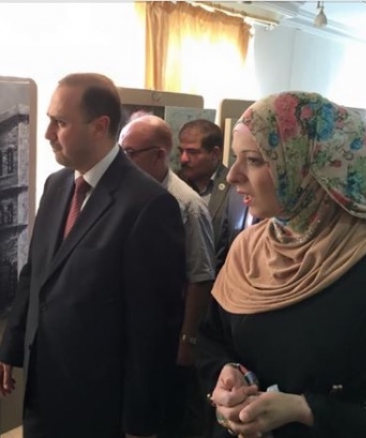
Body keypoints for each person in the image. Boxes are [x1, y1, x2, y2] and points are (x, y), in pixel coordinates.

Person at [0, 73, 187, 438]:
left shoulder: (148, 205)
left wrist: (140, 423)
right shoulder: (57, 185)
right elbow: (36, 274)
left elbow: (153, 330)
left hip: (98, 402)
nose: (47, 133)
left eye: (60, 123)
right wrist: (11, 347)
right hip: (43, 388)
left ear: (99, 127)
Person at [196, 91, 366, 438]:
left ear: (312, 168)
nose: (232, 176)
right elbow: (213, 338)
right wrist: (225, 375)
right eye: (235, 158)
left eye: (254, 160)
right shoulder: (249, 248)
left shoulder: (365, 259)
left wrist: (307, 411)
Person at [119, 114, 215, 437]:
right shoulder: (126, 195)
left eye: (130, 153)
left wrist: (187, 340)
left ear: (159, 155)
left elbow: (201, 277)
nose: (123, 160)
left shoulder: (187, 204)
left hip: (168, 333)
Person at [177, 120, 247, 272]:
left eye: (192, 152)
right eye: (181, 151)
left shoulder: (236, 190)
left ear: (215, 153)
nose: (183, 159)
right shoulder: (174, 186)